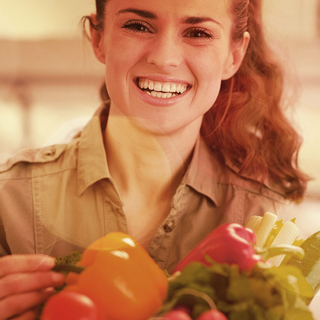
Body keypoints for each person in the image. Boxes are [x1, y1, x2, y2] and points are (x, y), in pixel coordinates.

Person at [0, 0, 310, 318]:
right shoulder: (8, 201)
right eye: (138, 26)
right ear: (98, 39)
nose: (164, 59)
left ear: (234, 56)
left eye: (198, 32)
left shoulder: (264, 216)